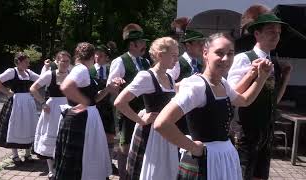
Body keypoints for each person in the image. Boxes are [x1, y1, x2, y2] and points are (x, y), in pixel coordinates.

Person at [154, 33, 273, 180]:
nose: (226, 59)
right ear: (205, 53)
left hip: (223, 159)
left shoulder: (222, 83)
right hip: (204, 162)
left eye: (230, 54)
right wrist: (192, 147)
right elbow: (162, 123)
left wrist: (261, 77)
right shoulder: (196, 87)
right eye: (219, 53)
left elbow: (244, 100)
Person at [227, 5, 292, 180]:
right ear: (257, 34)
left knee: (260, 176)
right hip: (245, 132)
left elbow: (274, 99)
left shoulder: (274, 62)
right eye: (271, 31)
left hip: (266, 131)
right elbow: (232, 95)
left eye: (278, 32)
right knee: (241, 175)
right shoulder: (244, 59)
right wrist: (252, 74)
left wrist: (285, 77)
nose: (276, 36)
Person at [114, 37, 180, 179]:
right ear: (160, 55)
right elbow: (119, 102)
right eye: (173, 55)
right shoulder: (146, 76)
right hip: (152, 135)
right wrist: (141, 120)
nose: (176, 59)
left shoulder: (169, 77)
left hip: (168, 132)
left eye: (177, 55)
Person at [54, 42, 121, 180]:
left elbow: (94, 99)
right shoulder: (82, 70)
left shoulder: (82, 70)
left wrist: (108, 89)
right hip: (82, 119)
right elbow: (66, 87)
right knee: (84, 156)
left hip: (88, 117)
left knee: (88, 155)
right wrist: (84, 102)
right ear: (91, 57)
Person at [107, 23, 151, 179]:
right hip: (127, 111)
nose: (145, 45)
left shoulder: (146, 62)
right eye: (142, 42)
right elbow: (110, 87)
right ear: (132, 44)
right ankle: (123, 176)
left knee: (141, 143)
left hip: (144, 111)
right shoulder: (120, 61)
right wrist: (115, 84)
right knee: (125, 146)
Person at [0, 52, 40, 165]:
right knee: (14, 126)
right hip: (16, 102)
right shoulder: (11, 72)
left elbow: (42, 79)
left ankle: (28, 154)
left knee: (29, 125)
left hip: (28, 102)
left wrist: (47, 68)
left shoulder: (29, 72)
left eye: (28, 62)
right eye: (26, 62)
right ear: (18, 62)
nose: (28, 64)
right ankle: (15, 155)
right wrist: (7, 92)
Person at [30, 50, 71, 179]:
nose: (65, 63)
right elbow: (33, 88)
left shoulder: (72, 74)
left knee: (65, 138)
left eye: (67, 61)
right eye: (62, 61)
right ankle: (51, 169)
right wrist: (42, 103)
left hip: (68, 108)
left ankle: (62, 166)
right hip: (52, 109)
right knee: (51, 136)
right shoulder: (49, 75)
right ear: (56, 61)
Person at [90, 44, 118, 174]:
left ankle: (109, 162)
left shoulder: (111, 71)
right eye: (96, 54)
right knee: (94, 136)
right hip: (94, 107)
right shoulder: (89, 70)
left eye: (101, 55)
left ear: (107, 58)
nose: (97, 57)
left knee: (110, 136)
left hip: (108, 107)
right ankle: (95, 162)